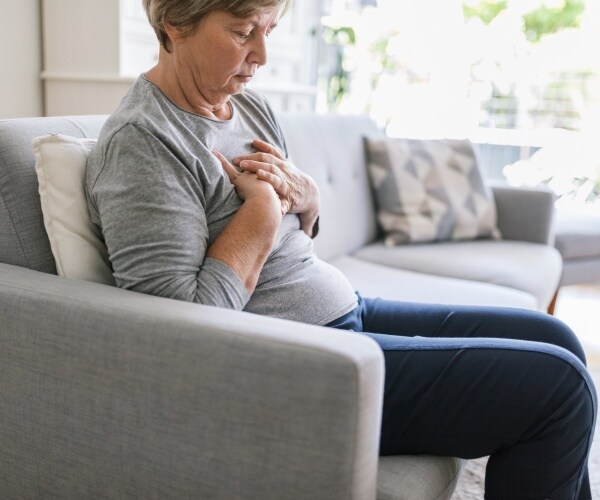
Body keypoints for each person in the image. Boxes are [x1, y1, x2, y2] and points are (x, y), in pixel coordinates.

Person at [84, 0, 596, 497]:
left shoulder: (248, 106)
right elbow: (179, 334)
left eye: (270, 30)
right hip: (290, 363)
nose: (261, 54)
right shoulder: (143, 143)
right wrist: (262, 210)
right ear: (174, 24)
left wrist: (309, 196)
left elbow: (297, 236)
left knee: (556, 336)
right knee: (559, 389)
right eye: (243, 33)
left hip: (344, 310)